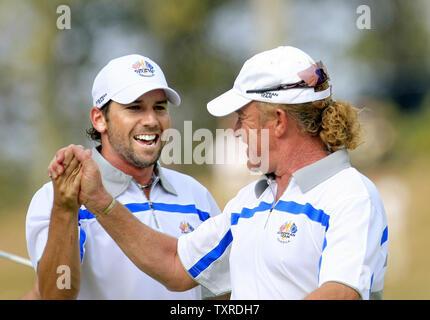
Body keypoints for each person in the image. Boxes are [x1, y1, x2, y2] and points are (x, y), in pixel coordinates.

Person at [49, 46, 389, 299]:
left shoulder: (351, 194)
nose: (235, 131)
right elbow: (175, 265)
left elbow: (340, 293)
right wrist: (99, 201)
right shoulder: (249, 202)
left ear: (279, 121)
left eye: (243, 118)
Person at [25, 54, 223, 299]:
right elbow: (55, 295)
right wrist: (65, 209)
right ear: (99, 119)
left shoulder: (196, 196)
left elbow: (220, 292)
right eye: (135, 108)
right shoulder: (55, 199)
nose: (151, 120)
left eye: (159, 107)